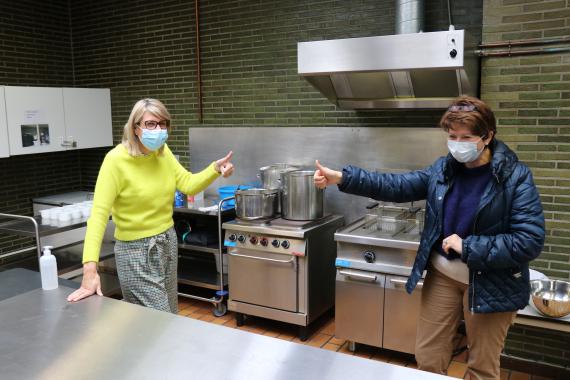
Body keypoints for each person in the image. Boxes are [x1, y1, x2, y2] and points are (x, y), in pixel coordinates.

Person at [314, 96, 545, 380]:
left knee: (482, 367)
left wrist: (468, 246)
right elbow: (397, 186)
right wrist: (342, 178)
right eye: (452, 136)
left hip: (492, 281)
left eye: (467, 137)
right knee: (428, 358)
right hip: (444, 276)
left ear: (488, 136)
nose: (458, 143)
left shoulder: (515, 177)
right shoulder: (443, 170)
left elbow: (529, 239)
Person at [67, 98, 234, 314]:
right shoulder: (115, 160)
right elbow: (98, 215)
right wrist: (90, 269)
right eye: (151, 124)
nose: (159, 130)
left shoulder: (162, 153)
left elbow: (188, 184)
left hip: (167, 243)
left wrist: (214, 169)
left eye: (163, 124)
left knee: (169, 315)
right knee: (159, 320)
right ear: (135, 128)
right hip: (134, 252)